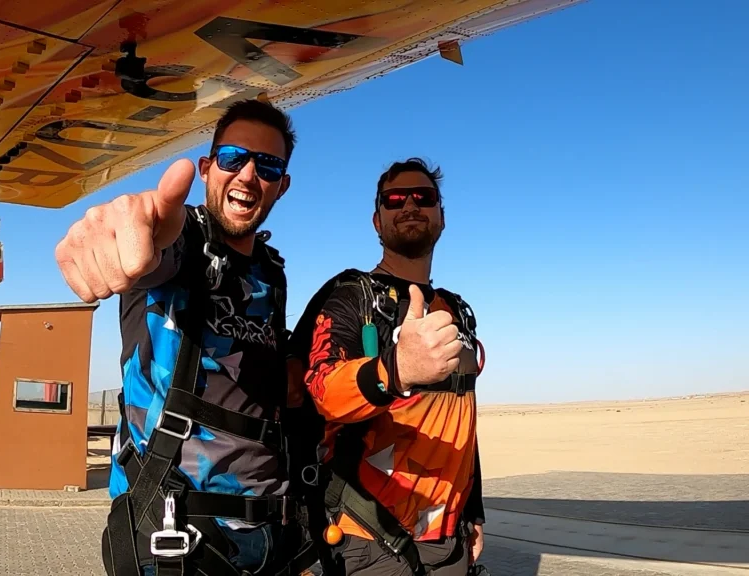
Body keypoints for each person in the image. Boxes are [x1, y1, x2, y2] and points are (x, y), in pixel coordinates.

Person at [54, 99, 317, 576]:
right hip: (178, 534)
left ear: (283, 185)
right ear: (206, 168)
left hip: (266, 534)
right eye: (234, 157)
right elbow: (150, 240)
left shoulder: (271, 273)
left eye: (269, 165)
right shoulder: (182, 243)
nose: (248, 174)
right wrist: (128, 230)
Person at [287, 158, 486, 576]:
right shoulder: (351, 296)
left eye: (424, 197)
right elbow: (320, 390)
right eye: (395, 199)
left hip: (448, 539)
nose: (410, 205)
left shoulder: (457, 312)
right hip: (369, 538)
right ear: (377, 221)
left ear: (442, 217)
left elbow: (462, 416)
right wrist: (394, 371)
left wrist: (474, 509)